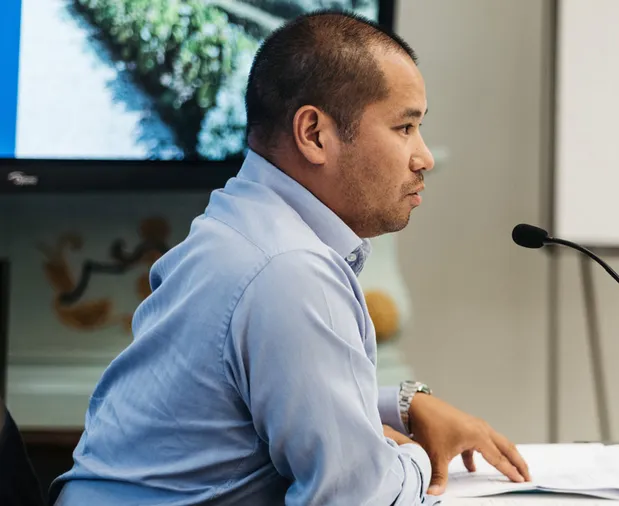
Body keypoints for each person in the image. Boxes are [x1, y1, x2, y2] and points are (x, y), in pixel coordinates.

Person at [49, 11, 530, 506]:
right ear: (314, 134)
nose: (424, 156)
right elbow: (355, 498)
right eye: (404, 127)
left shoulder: (240, 224)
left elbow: (259, 399)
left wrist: (401, 407)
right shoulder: (289, 270)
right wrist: (411, 454)